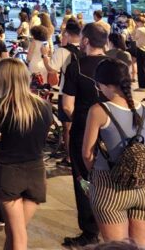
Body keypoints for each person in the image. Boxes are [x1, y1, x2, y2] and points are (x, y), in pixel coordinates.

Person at [0, 58, 52, 250]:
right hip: (36, 173)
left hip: (8, 174)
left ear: (1, 79)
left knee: (18, 237)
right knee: (13, 232)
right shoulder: (44, 106)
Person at [82, 58, 145, 246]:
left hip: (109, 188)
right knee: (140, 247)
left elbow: (87, 153)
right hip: (142, 187)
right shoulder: (144, 109)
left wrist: (93, 177)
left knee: (116, 248)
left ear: (105, 84)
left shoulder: (99, 110)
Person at [62, 22, 109, 247]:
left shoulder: (76, 67)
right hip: (111, 130)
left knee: (83, 179)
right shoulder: (116, 63)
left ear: (86, 41)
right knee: (109, 178)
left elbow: (67, 105)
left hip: (83, 131)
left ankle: (90, 231)